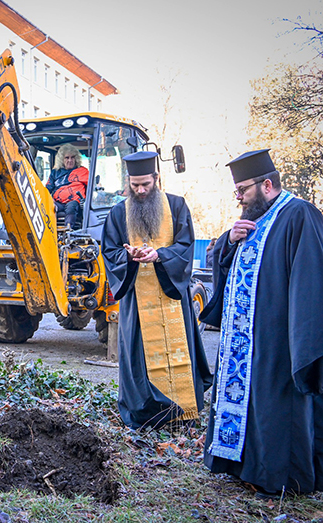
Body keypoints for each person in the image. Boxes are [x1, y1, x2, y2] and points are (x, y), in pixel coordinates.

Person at [201, 149, 323, 496]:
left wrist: (303, 339)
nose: (238, 197)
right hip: (244, 339)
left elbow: (312, 278)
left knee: (276, 406)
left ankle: (280, 477)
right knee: (250, 400)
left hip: (279, 337)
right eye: (236, 191)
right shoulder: (254, 219)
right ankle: (242, 466)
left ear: (267, 184)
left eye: (243, 190)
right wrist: (228, 241)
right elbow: (224, 261)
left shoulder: (298, 214)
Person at [101, 150, 213, 430]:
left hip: (171, 295)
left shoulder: (176, 206)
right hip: (137, 301)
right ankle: (144, 413)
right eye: (135, 185)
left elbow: (186, 245)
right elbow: (109, 250)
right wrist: (127, 256)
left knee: (179, 352)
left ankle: (182, 411)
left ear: (156, 178)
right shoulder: (118, 212)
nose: (139, 190)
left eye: (145, 185)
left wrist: (159, 256)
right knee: (138, 357)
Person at [46, 144, 89, 229]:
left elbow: (92, 187)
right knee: (48, 208)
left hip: (75, 201)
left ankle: (68, 230)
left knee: (71, 208)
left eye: (72, 157)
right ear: (62, 159)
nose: (70, 160)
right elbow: (48, 189)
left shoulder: (83, 171)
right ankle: (50, 230)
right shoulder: (55, 172)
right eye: (67, 158)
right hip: (59, 202)